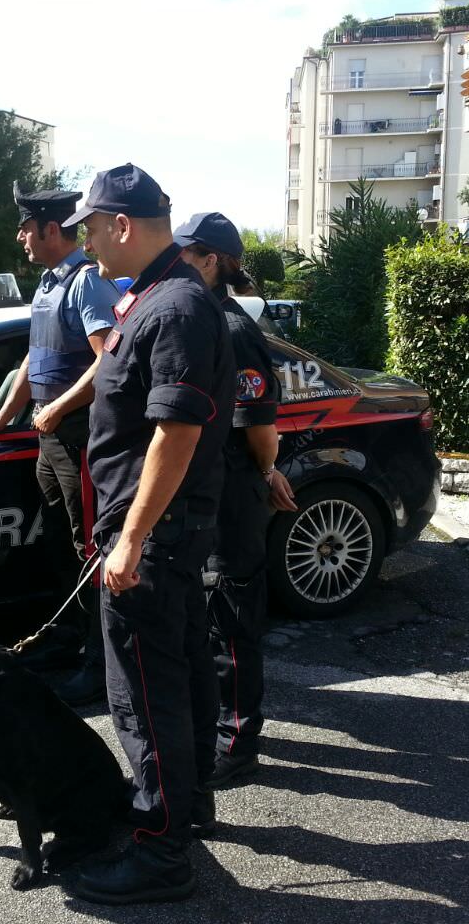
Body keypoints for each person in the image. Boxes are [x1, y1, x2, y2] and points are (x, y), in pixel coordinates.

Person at [61, 164, 234, 905]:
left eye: (91, 229)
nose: (87, 246)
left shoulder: (173, 309)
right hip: (161, 533)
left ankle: (161, 852)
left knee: (145, 694)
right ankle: (187, 811)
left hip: (150, 540)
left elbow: (175, 433)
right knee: (185, 675)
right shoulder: (157, 299)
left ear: (122, 225)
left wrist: (129, 538)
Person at [0, 184, 121, 705]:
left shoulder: (86, 285)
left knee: (89, 553)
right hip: (51, 441)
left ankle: (100, 668)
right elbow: (34, 359)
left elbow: (107, 364)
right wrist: (2, 416)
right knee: (60, 546)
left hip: (79, 439)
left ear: (53, 230)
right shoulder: (49, 284)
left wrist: (56, 408)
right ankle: (70, 641)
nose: (20, 236)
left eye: (27, 227)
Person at [175, 212, 298, 789]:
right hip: (203, 491)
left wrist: (268, 469)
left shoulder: (231, 329)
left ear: (213, 261)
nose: (176, 260)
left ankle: (238, 742)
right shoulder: (196, 320)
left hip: (230, 491)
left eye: (188, 252)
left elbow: (259, 423)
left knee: (231, 618)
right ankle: (216, 726)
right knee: (207, 614)